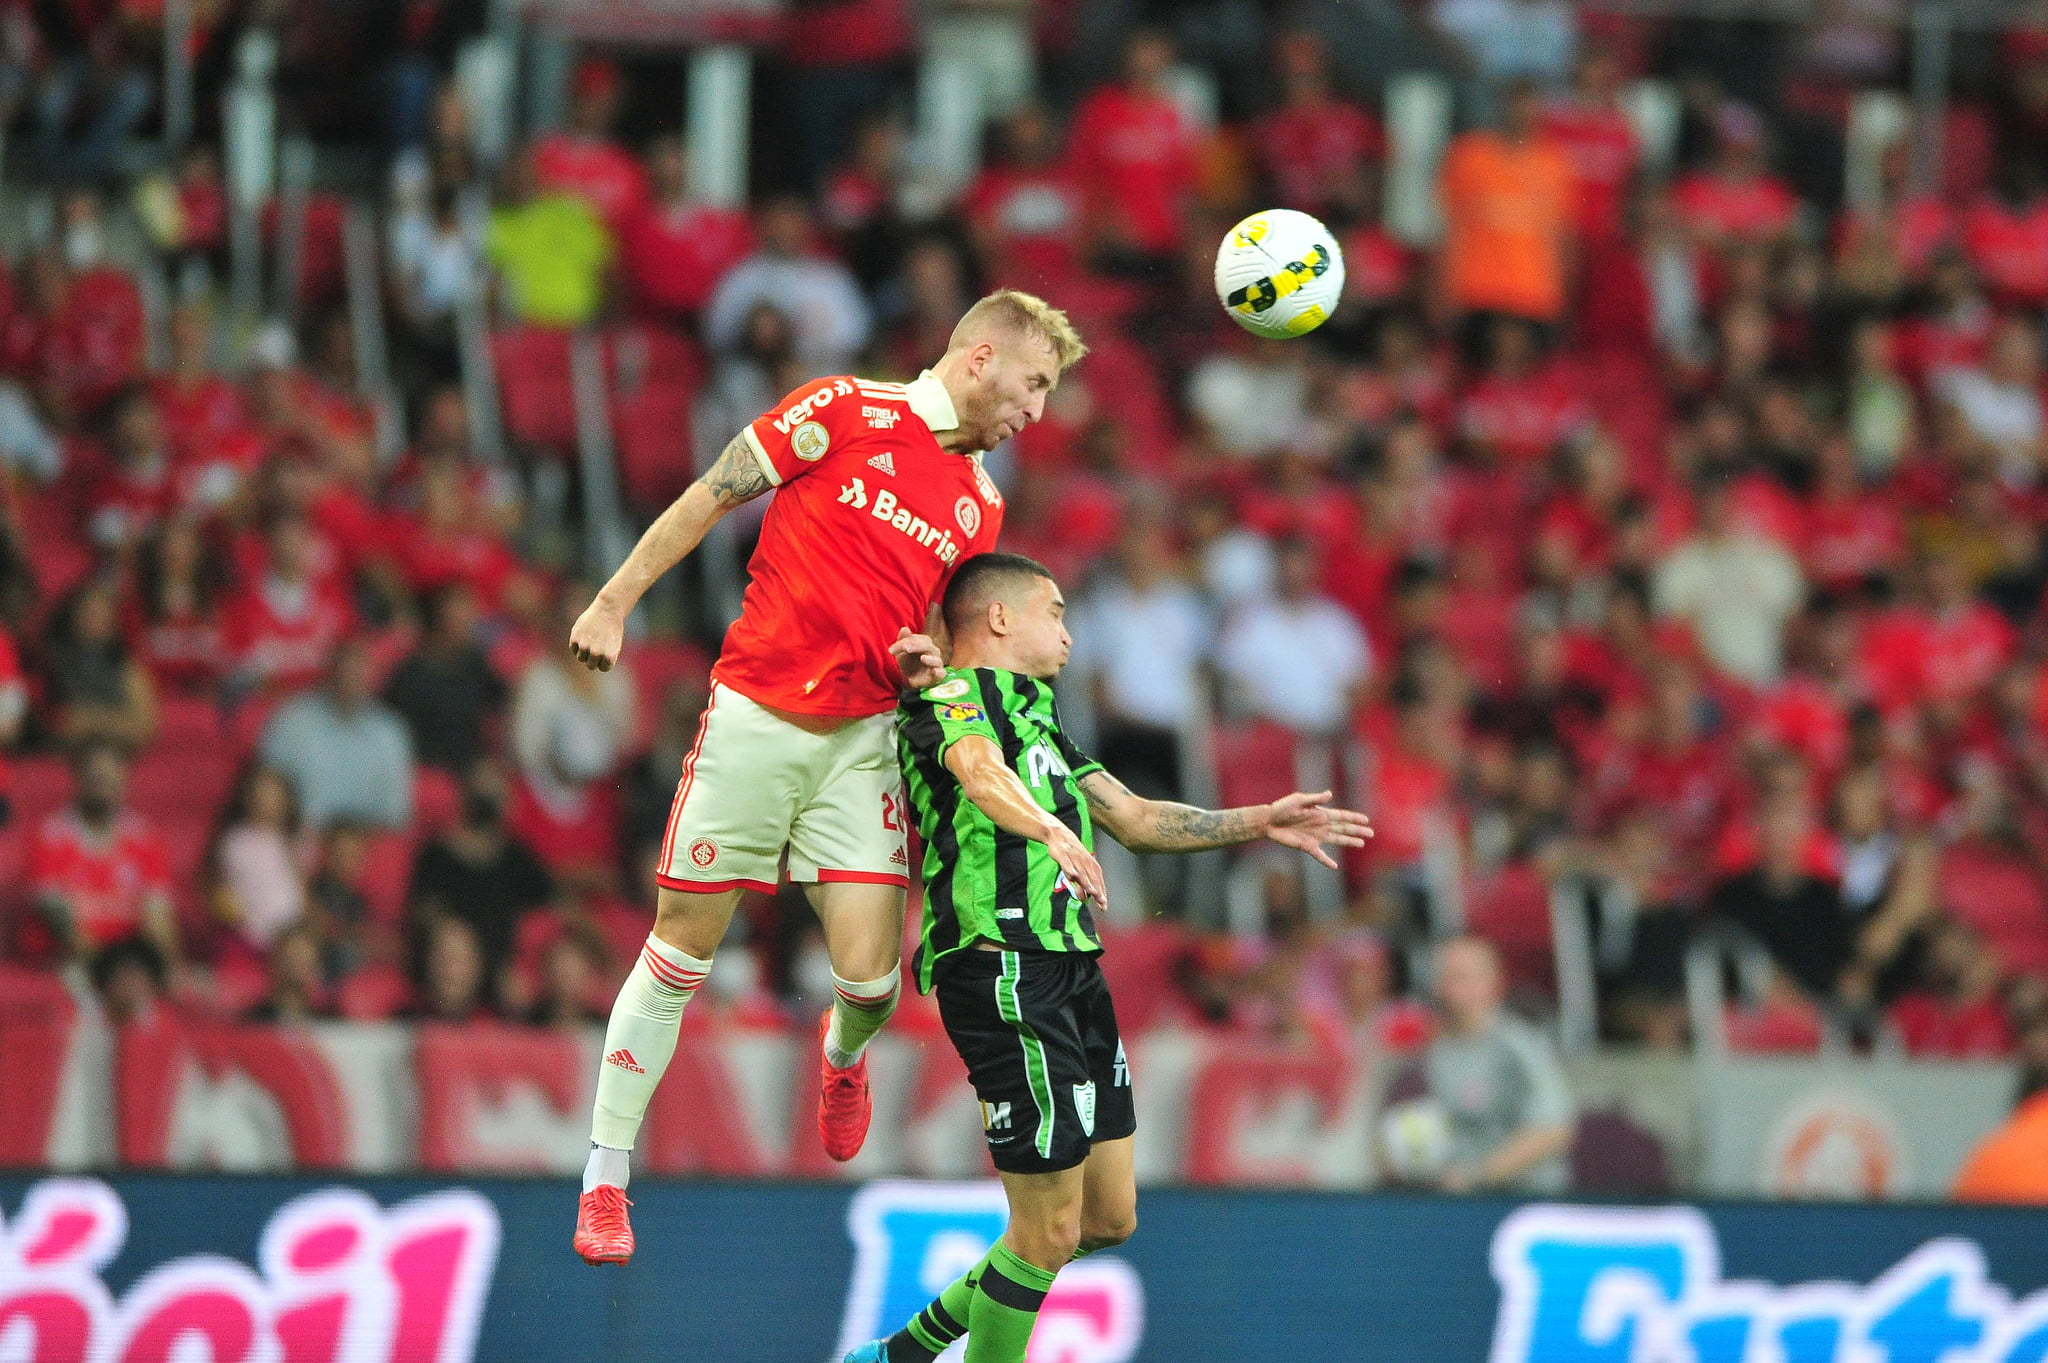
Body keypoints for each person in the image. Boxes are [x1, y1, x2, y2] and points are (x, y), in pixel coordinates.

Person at [566, 290, 1083, 1265]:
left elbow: (940, 644)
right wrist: (612, 602)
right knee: (680, 951)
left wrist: (931, 668)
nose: (1038, 410)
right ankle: (604, 1177)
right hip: (755, 718)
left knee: (873, 982)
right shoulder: (842, 409)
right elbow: (713, 491)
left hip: (861, 743)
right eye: (1035, 382)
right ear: (978, 359)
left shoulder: (981, 504)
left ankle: (840, 1057)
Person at [843, 552, 1371, 1363]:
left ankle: (901, 1355)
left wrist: (1259, 818)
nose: (1068, 629)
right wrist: (1050, 830)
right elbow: (979, 774)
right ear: (999, 618)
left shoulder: (1040, 717)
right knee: (1045, 1227)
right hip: (1002, 962)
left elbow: (1133, 816)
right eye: (1054, 610)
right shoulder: (946, 694)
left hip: (1071, 968)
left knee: (1103, 1219)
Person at [1418, 936, 1576, 1193]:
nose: (1449, 984)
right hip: (1456, 1201)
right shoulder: (1434, 1051)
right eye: (1445, 975)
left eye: (1461, 975)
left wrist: (1476, 1176)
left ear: (1493, 982)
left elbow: (1554, 1131)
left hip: (1524, 1200)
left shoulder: (1519, 1046)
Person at [259, 637, 416, 832]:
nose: (353, 674)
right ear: (330, 669)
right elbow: (266, 795)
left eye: (361, 666)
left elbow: (394, 815)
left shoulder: (390, 732)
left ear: (375, 675)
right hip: (299, 839)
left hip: (362, 847)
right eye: (347, 665)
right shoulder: (292, 719)